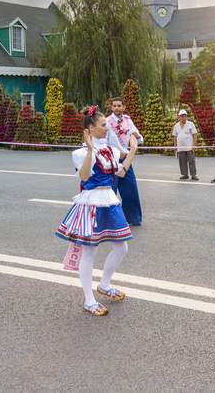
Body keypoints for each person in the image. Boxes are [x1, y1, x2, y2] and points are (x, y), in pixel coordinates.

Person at [56, 106, 138, 316]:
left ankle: (104, 284)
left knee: (122, 248)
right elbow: (83, 177)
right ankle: (89, 299)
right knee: (89, 252)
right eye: (103, 125)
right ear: (90, 129)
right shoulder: (80, 153)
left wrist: (133, 150)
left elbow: (120, 173)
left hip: (109, 200)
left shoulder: (110, 150)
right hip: (91, 203)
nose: (107, 128)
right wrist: (90, 151)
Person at [105, 97, 143, 226]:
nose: (116, 108)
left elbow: (139, 137)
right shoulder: (107, 122)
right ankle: (109, 221)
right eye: (114, 106)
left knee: (130, 189)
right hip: (111, 160)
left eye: (119, 105)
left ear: (123, 107)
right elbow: (103, 141)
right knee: (111, 191)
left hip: (126, 160)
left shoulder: (128, 120)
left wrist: (136, 136)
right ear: (111, 107)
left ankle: (133, 218)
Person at [172, 109, 198, 180]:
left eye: (184, 116)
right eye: (182, 116)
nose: (183, 117)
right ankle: (185, 174)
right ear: (179, 117)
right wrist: (175, 147)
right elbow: (175, 136)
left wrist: (194, 145)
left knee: (191, 161)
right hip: (180, 148)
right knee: (182, 162)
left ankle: (193, 175)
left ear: (186, 116)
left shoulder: (190, 124)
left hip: (189, 147)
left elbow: (195, 135)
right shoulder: (176, 126)